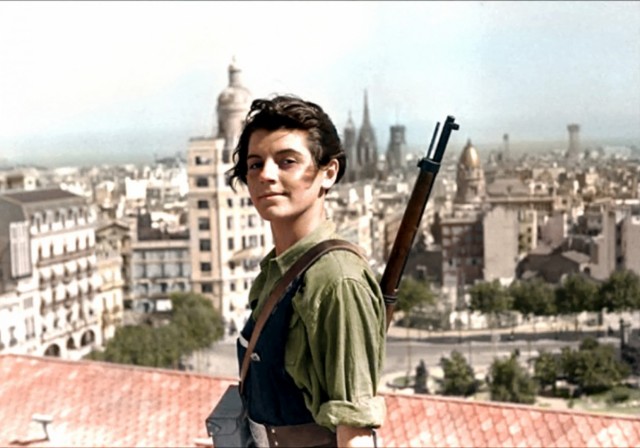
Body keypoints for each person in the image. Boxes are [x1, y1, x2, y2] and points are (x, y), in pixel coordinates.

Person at [227, 95, 386, 447]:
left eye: (287, 162)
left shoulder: (336, 280)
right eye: (255, 164)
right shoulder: (277, 268)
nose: (266, 175)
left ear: (328, 173)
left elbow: (355, 429)